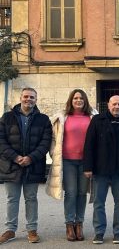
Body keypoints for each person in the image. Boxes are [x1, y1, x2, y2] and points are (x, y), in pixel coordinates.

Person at [0, 87, 52, 244]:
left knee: (31, 198)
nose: (28, 99)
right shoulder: (7, 117)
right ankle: (10, 230)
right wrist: (15, 157)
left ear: (36, 100)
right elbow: (1, 141)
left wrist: (31, 157)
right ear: (20, 97)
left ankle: (32, 230)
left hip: (33, 165)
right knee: (12, 198)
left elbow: (45, 142)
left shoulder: (43, 119)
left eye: (32, 97)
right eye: (26, 96)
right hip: (10, 165)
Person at [83, 95, 119, 244]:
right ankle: (99, 232)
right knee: (99, 202)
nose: (116, 107)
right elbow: (89, 145)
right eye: (114, 104)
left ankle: (118, 232)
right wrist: (88, 166)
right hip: (101, 170)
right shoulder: (97, 120)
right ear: (108, 105)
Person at [46, 89, 96, 241]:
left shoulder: (93, 117)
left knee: (82, 193)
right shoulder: (62, 117)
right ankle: (69, 224)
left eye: (81, 98)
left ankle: (79, 224)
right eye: (75, 98)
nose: (78, 100)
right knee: (71, 192)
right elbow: (53, 138)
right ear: (71, 100)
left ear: (85, 100)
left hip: (86, 162)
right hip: (67, 160)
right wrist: (54, 152)